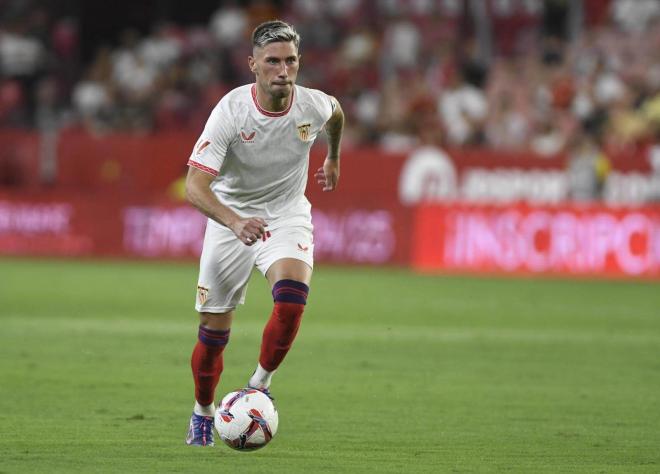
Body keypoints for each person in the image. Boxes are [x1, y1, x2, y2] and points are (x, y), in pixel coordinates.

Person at [183, 20, 344, 447]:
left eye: (290, 61)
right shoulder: (231, 112)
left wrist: (333, 159)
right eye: (272, 61)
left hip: (287, 213)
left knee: (292, 299)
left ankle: (258, 385)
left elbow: (337, 113)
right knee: (213, 336)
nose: (283, 70)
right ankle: (203, 410)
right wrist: (234, 221)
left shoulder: (312, 104)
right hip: (230, 219)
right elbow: (194, 186)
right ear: (252, 64)